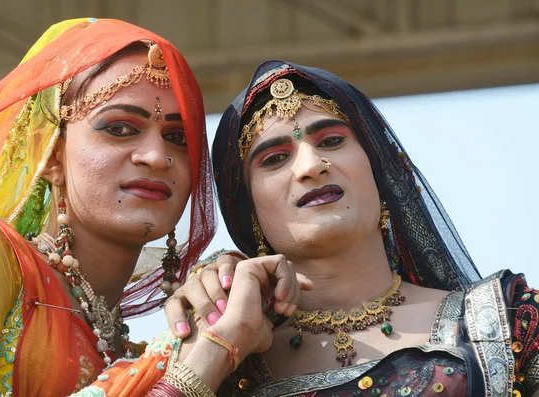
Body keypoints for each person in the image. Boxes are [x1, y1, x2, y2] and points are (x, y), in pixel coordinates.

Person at [161, 61, 539, 396]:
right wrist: (217, 346)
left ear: (381, 173)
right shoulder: (226, 358)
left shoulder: (507, 320)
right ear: (249, 213)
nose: (311, 165)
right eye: (275, 159)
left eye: (332, 141)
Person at [0, 18, 225, 396]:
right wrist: (184, 380)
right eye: (119, 128)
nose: (157, 157)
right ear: (51, 152)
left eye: (176, 137)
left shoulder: (133, 351)